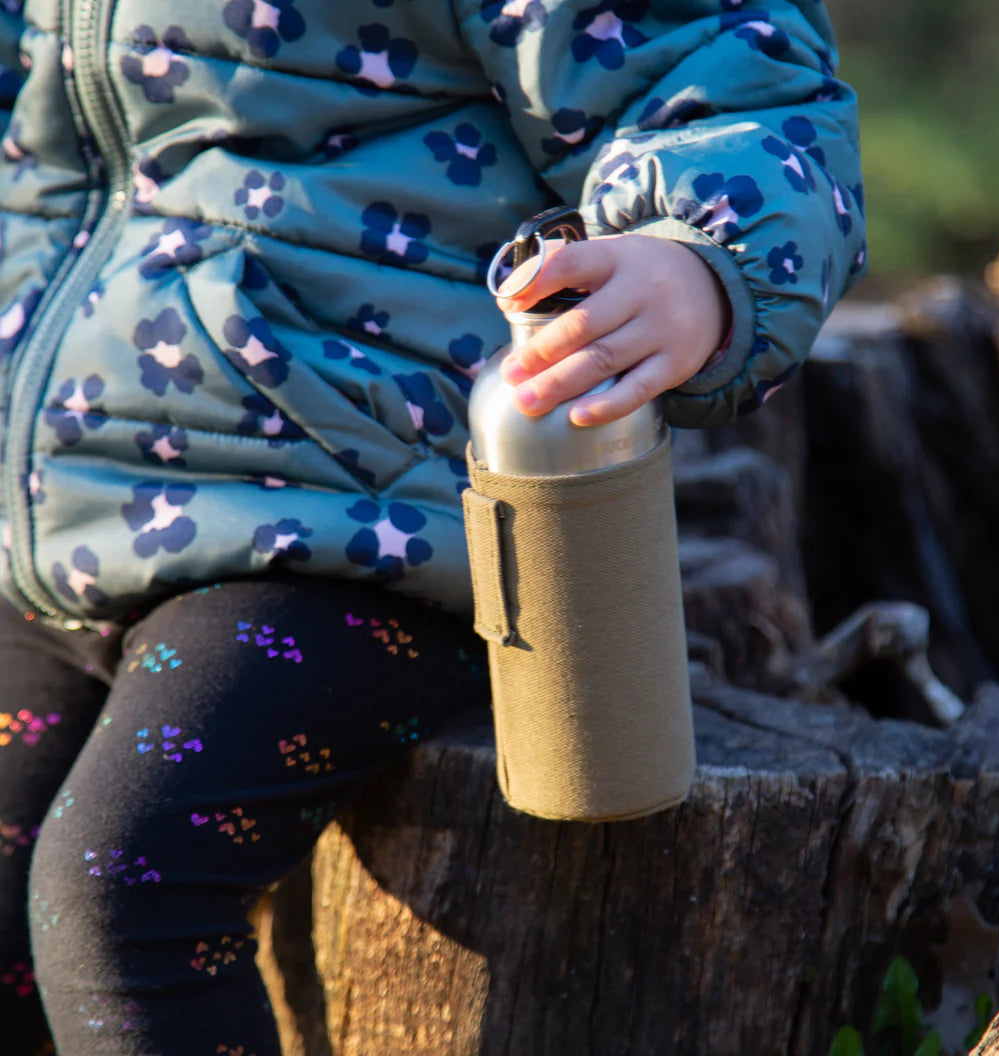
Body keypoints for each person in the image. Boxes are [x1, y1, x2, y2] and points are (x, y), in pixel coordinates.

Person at [0, 1, 866, 1053]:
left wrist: (700, 255)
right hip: (57, 522)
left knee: (121, 890)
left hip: (355, 521)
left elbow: (719, 72)